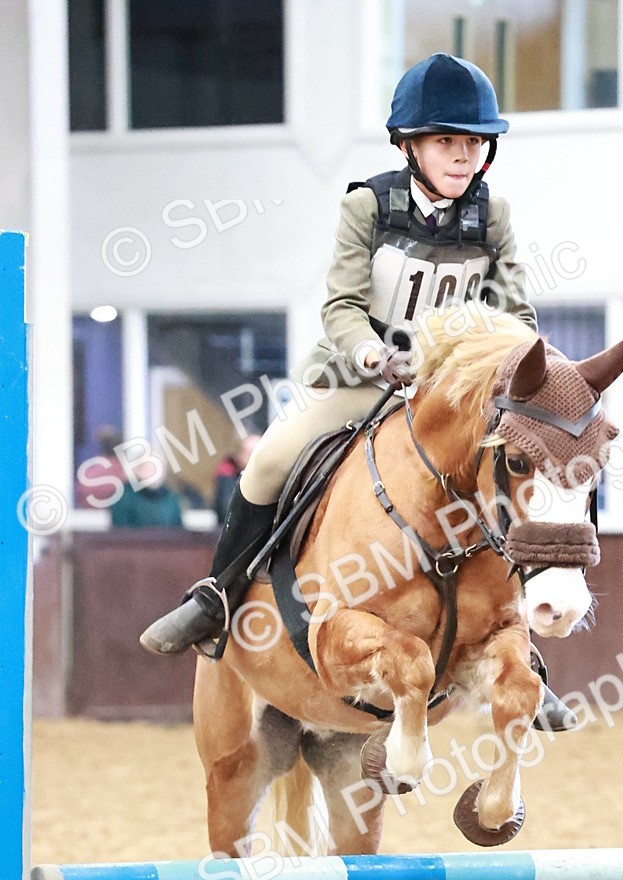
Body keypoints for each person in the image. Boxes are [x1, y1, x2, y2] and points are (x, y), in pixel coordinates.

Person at [140, 53, 575, 730]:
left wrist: (489, 367)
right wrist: (373, 352)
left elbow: (518, 316)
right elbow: (341, 305)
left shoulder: (494, 216)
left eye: (472, 143)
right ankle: (217, 598)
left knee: (505, 483)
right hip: (359, 380)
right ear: (411, 146)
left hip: (447, 395)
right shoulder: (368, 205)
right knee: (268, 460)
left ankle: (524, 658)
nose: (462, 157)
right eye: (446, 142)